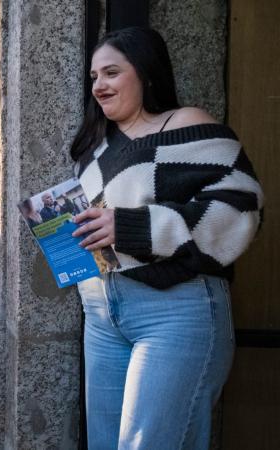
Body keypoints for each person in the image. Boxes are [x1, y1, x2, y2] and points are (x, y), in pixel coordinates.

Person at [70, 27, 263, 449]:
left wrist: (136, 227)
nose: (99, 85)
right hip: (103, 313)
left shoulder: (187, 123)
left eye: (111, 73)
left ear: (145, 72)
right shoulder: (98, 147)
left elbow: (241, 211)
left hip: (176, 310)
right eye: (94, 76)